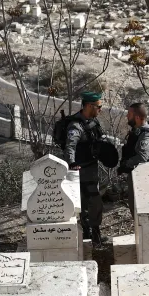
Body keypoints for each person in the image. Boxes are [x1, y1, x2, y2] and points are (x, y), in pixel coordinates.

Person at [63, 91, 107, 243]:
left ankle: (95, 233)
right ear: (89, 106)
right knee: (85, 205)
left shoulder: (93, 123)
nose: (100, 110)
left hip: (92, 171)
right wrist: (72, 163)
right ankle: (88, 235)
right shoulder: (75, 126)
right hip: (81, 173)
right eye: (98, 106)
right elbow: (70, 146)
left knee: (95, 203)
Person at [118, 102, 149, 215]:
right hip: (136, 178)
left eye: (129, 114)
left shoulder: (146, 135)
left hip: (143, 181)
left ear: (137, 117)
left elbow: (143, 157)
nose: (127, 116)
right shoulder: (137, 131)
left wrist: (127, 163)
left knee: (140, 214)